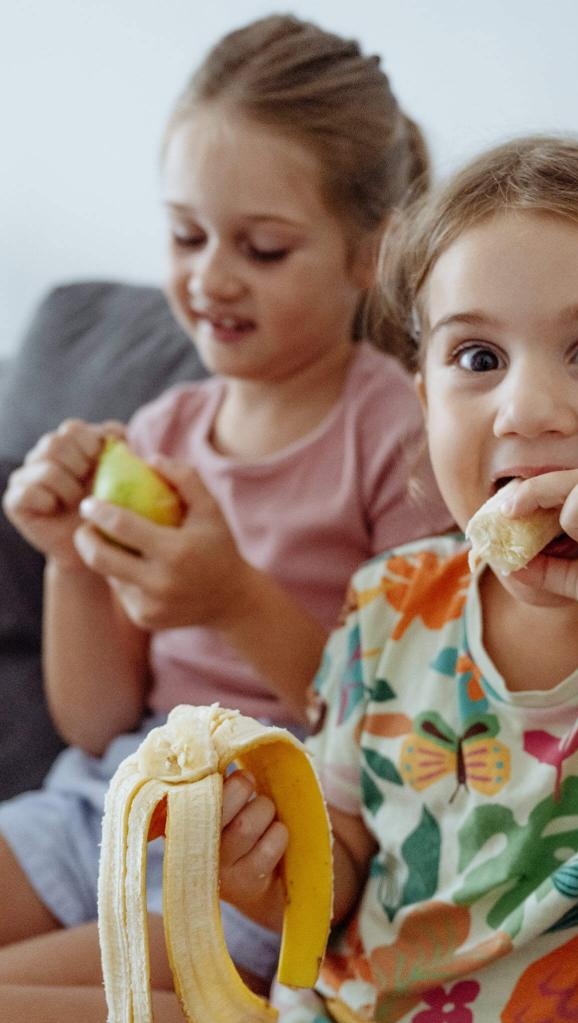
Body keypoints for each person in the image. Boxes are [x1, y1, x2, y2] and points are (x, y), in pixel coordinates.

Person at [219, 135, 578, 1022]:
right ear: (425, 400)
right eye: (477, 359)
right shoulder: (385, 603)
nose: (527, 410)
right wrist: (264, 874)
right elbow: (339, 877)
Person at [0, 14, 452, 1020]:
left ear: (366, 254)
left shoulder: (400, 432)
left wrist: (234, 598)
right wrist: (71, 563)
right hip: (107, 797)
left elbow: (404, 725)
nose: (209, 276)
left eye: (261, 247)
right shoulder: (163, 426)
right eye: (185, 234)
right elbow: (95, 719)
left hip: (272, 840)